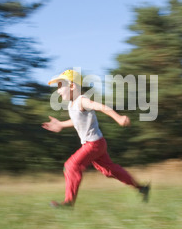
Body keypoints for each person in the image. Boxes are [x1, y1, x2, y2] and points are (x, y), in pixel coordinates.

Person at [42, 69, 150, 208]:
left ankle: (68, 203)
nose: (57, 91)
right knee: (109, 171)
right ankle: (141, 188)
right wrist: (61, 125)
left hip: (93, 144)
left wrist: (119, 118)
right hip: (96, 143)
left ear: (72, 86)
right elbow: (76, 121)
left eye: (60, 86)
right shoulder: (72, 104)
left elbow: (100, 107)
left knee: (71, 166)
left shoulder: (82, 100)